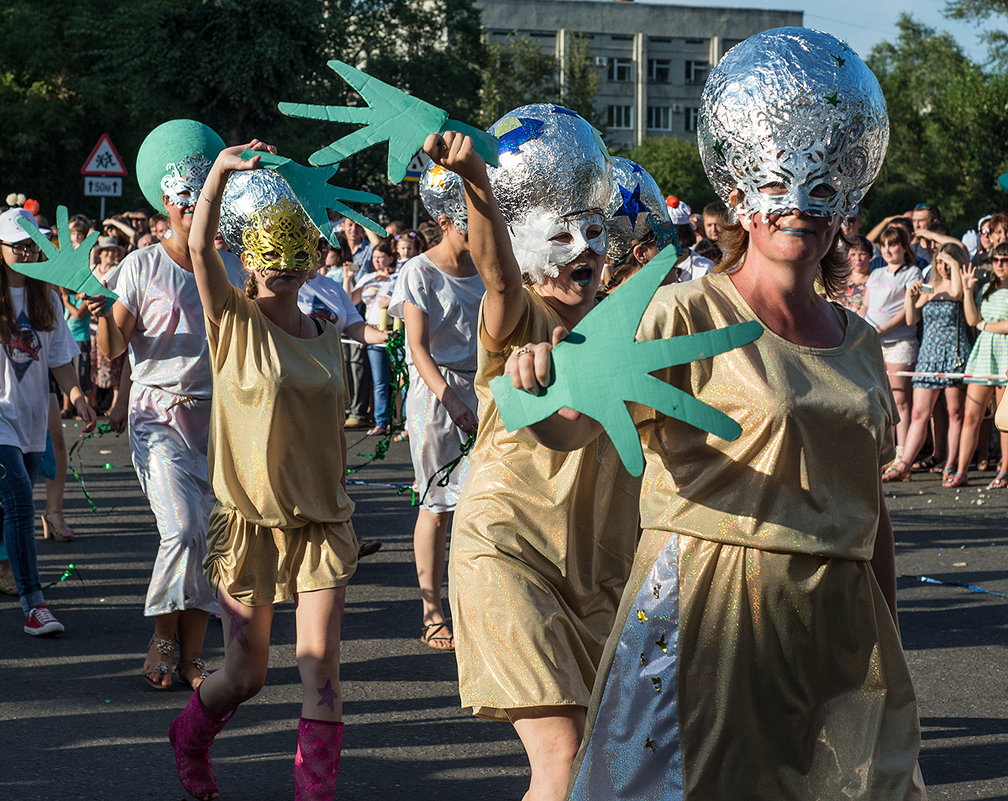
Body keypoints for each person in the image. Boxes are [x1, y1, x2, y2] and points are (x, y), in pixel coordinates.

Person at [501, 29, 925, 800]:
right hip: (708, 619)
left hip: (831, 623)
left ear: (848, 205)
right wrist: (532, 385)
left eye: (825, 189)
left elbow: (873, 506)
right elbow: (571, 427)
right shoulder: (680, 311)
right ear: (737, 198)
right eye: (777, 184)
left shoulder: (860, 342)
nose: (801, 207)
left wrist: (882, 637)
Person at [428, 104, 640, 801]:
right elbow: (493, 274)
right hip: (509, 548)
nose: (584, 248)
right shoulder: (521, 315)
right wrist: (478, 183)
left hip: (597, 573)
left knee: (597, 769)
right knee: (563, 755)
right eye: (564, 236)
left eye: (595, 234)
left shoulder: (635, 332)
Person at [168, 144, 357, 801]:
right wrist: (219, 173)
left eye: (293, 248)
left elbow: (333, 425)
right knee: (246, 674)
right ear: (245, 256)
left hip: (320, 526)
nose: (279, 263)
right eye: (266, 250)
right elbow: (197, 252)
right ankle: (189, 737)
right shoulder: (232, 322)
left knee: (321, 671)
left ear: (313, 254)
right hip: (249, 525)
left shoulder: (330, 333)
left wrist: (339, 490)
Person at [88, 120, 228, 691]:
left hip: (219, 422)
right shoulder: (140, 267)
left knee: (215, 539)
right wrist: (101, 317)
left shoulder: (231, 266)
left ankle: (193, 655)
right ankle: (163, 637)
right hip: (158, 416)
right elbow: (116, 348)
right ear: (168, 207)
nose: (194, 214)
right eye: (185, 205)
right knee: (184, 530)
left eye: (205, 203)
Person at [388, 160, 484, 651]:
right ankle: (432, 611)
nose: (480, 228)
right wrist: (450, 398)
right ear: (445, 222)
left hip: (481, 392)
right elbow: (417, 347)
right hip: (436, 398)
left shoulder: (488, 269)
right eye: (469, 218)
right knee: (438, 505)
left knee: (478, 504)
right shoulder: (418, 271)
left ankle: (473, 604)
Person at [0, 207, 97, 634]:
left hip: (32, 422)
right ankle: (34, 604)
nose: (24, 249)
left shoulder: (48, 298)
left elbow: (60, 361)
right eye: (15, 243)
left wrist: (78, 398)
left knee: (8, 504)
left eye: (30, 242)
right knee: (20, 504)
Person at [883, 243, 970, 482]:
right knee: (921, 412)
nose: (942, 267)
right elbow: (912, 319)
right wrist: (911, 298)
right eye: (939, 262)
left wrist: (953, 262)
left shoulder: (958, 283)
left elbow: (958, 294)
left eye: (946, 262)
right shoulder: (930, 285)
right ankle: (904, 465)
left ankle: (950, 463)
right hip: (929, 352)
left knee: (955, 412)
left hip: (954, 351)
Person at [946, 242, 1008, 488]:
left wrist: (985, 325)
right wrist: (968, 290)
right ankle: (961, 471)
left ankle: (1004, 470)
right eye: (996, 260)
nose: (999, 265)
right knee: (972, 416)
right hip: (984, 354)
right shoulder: (986, 289)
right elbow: (972, 319)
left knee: (1004, 421)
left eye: (1005, 260)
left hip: (1005, 355)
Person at [861, 225, 923, 462]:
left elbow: (908, 310)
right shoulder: (876, 273)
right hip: (872, 341)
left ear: (904, 247)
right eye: (885, 245)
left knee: (899, 399)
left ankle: (902, 454)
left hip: (900, 341)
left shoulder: (913, 273)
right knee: (878, 399)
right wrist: (860, 326)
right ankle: (883, 451)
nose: (888, 249)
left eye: (893, 244)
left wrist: (882, 330)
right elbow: (865, 305)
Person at [603, 157, 682, 292]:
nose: (678, 253)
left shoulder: (670, 302)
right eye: (667, 246)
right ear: (641, 254)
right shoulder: (604, 310)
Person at [344, 239, 397, 436]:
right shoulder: (367, 277)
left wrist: (391, 301)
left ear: (391, 258)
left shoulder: (398, 277)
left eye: (381, 257)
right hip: (373, 332)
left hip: (394, 331)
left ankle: (403, 422)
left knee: (400, 379)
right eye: (374, 257)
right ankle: (381, 422)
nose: (377, 261)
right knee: (379, 380)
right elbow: (350, 301)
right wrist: (348, 278)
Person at [838, 234, 872, 312]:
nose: (858, 259)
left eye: (862, 254)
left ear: (870, 255)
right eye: (853, 254)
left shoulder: (874, 280)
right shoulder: (839, 279)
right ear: (847, 256)